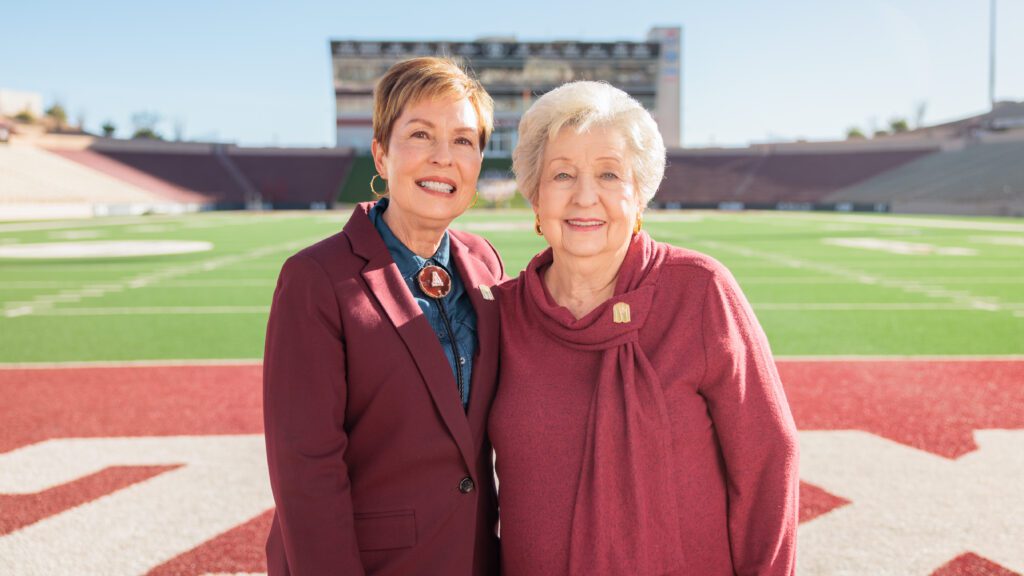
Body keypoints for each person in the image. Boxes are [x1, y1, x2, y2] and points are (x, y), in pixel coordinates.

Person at [490, 81, 800, 576]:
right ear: (535, 196)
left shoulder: (700, 291)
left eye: (610, 174)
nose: (585, 196)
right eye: (562, 174)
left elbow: (767, 461)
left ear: (640, 196)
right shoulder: (501, 314)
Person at [263, 57, 504, 576]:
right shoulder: (315, 278)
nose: (444, 158)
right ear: (381, 154)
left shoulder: (485, 261)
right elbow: (306, 470)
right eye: (421, 135)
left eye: (464, 141)